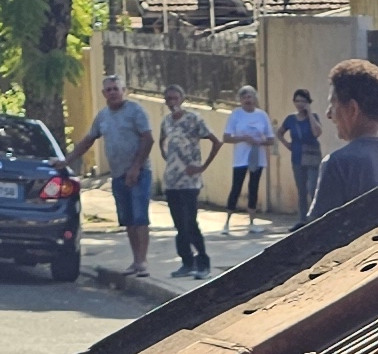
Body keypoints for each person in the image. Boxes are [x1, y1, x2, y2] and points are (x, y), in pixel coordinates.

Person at [316, 55, 378, 213]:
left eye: (332, 104)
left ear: (353, 109)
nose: (328, 114)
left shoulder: (337, 164)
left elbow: (317, 232)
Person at [84, 75, 158, 270]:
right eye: (108, 90)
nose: (113, 93)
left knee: (140, 216)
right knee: (128, 219)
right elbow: (89, 139)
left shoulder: (135, 111)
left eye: (116, 89)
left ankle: (143, 261)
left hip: (139, 173)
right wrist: (66, 160)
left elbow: (148, 139)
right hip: (117, 174)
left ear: (123, 90)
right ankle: (135, 260)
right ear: (103, 93)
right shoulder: (102, 116)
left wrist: (135, 168)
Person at [154, 84, 220, 275]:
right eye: (168, 99)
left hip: (190, 180)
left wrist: (202, 166)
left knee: (190, 221)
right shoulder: (166, 121)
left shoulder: (193, 119)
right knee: (178, 224)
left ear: (182, 99)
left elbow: (216, 141)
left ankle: (203, 261)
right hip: (172, 180)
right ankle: (186, 261)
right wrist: (168, 157)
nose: (172, 103)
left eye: (175, 98)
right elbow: (162, 140)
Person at [219, 88, 274, 230]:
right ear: (241, 100)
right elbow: (226, 137)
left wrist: (259, 142)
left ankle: (252, 222)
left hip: (257, 157)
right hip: (240, 158)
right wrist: (243, 138)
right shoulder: (236, 115)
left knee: (253, 188)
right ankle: (227, 221)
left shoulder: (262, 115)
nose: (248, 100)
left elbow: (270, 139)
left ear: (255, 99)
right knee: (236, 187)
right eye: (245, 97)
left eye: (250, 97)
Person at [283, 83, 323, 223]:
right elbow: (279, 133)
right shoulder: (290, 119)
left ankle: (316, 218)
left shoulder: (314, 117)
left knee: (312, 187)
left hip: (312, 156)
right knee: (301, 190)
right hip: (297, 156)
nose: (300, 104)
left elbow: (317, 132)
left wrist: (310, 113)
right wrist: (287, 144)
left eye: (303, 101)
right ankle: (302, 220)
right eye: (297, 101)